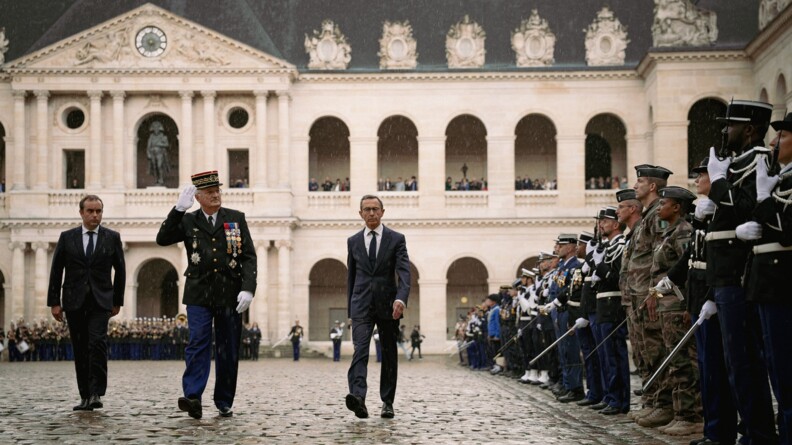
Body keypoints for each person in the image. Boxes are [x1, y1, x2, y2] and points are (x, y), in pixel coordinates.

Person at [156, 170, 257, 419]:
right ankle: (192, 397)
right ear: (198, 197)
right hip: (199, 293)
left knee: (228, 348)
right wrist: (178, 210)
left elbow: (248, 257)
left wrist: (248, 288)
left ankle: (223, 400)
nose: (215, 196)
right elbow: (163, 238)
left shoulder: (235, 219)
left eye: (217, 191)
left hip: (229, 294)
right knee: (197, 343)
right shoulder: (188, 221)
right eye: (210, 193)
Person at [706, 100, 778, 444]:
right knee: (734, 365)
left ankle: (758, 434)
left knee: (745, 363)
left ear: (749, 129)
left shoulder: (759, 160)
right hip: (724, 275)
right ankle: (750, 430)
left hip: (738, 273)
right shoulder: (738, 162)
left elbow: (749, 208)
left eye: (730, 125)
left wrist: (719, 185)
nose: (724, 131)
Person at [738, 112, 792, 445]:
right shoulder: (780, 179)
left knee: (786, 373)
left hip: (783, 285)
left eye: (782, 136)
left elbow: (786, 233)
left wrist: (763, 201)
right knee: (778, 372)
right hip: (767, 285)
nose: (773, 142)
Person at [47, 194, 126, 411]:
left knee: (97, 344)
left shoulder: (112, 237)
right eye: (90, 211)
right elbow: (56, 270)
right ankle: (84, 395)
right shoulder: (67, 237)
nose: (94, 215)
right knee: (80, 348)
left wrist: (117, 300)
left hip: (101, 302)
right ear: (81, 212)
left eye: (98, 211)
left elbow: (120, 271)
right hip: (74, 301)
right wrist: (54, 302)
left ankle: (95, 392)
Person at [345, 194, 411, 419]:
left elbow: (404, 273)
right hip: (361, 305)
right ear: (360, 213)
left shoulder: (396, 239)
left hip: (388, 305)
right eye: (367, 209)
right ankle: (358, 398)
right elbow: (351, 278)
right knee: (360, 350)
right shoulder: (353, 241)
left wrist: (401, 299)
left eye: (375, 209)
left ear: (383, 212)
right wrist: (350, 311)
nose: (371, 213)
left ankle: (387, 401)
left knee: (389, 354)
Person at [147, 120, 170, 186]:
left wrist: (159, 144)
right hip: (152, 154)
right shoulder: (151, 137)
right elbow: (148, 146)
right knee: (154, 167)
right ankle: (156, 180)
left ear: (160, 128)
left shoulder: (163, 136)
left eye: (157, 127)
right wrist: (148, 153)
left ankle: (161, 179)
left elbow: (166, 144)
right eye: (154, 128)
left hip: (160, 153)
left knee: (159, 166)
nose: (155, 129)